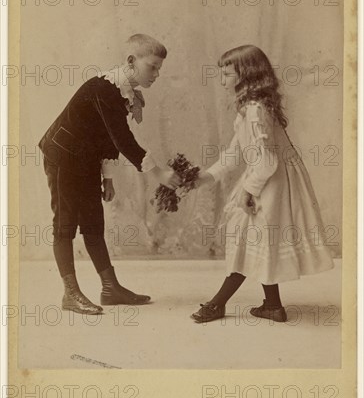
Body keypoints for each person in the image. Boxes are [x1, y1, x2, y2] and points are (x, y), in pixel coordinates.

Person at [191, 45, 334, 324]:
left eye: (226, 74)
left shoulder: (255, 111)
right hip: (269, 178)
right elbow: (234, 154)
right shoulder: (250, 108)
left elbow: (267, 161)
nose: (221, 80)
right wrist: (201, 179)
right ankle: (272, 305)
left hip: (272, 181)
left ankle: (217, 304)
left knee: (248, 237)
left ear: (245, 75)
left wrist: (248, 190)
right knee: (257, 240)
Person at [39, 34, 179, 315]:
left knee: (93, 222)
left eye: (160, 68)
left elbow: (106, 137)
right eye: (152, 66)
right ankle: (70, 294)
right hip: (63, 157)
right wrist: (159, 173)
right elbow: (122, 139)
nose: (157, 74)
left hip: (86, 159)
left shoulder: (122, 92)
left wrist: (108, 177)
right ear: (131, 61)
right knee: (65, 223)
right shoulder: (105, 88)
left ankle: (110, 288)